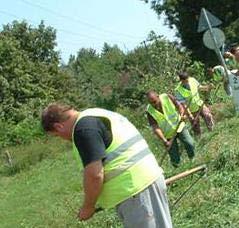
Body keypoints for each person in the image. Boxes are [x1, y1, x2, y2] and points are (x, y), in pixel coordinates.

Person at [41, 103, 172, 228]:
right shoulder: (96, 114)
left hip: (134, 190)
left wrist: (88, 207)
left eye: (57, 135)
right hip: (143, 184)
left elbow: (95, 175)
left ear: (58, 126)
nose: (62, 138)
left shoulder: (83, 129)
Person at [146, 91, 195, 167]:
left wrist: (182, 115)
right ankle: (178, 170)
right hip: (167, 135)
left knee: (190, 143)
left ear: (158, 96)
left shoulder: (167, 97)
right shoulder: (149, 111)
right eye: (151, 103)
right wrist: (164, 140)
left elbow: (179, 106)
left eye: (155, 101)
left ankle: (193, 161)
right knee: (174, 158)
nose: (154, 104)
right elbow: (155, 127)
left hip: (179, 126)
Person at [175, 72, 214, 136]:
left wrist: (208, 87)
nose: (188, 81)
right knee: (196, 125)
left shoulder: (192, 80)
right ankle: (199, 139)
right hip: (191, 109)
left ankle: (212, 131)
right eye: (186, 81)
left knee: (208, 115)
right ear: (182, 81)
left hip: (199, 103)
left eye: (188, 79)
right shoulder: (178, 90)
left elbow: (200, 87)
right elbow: (183, 104)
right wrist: (189, 115)